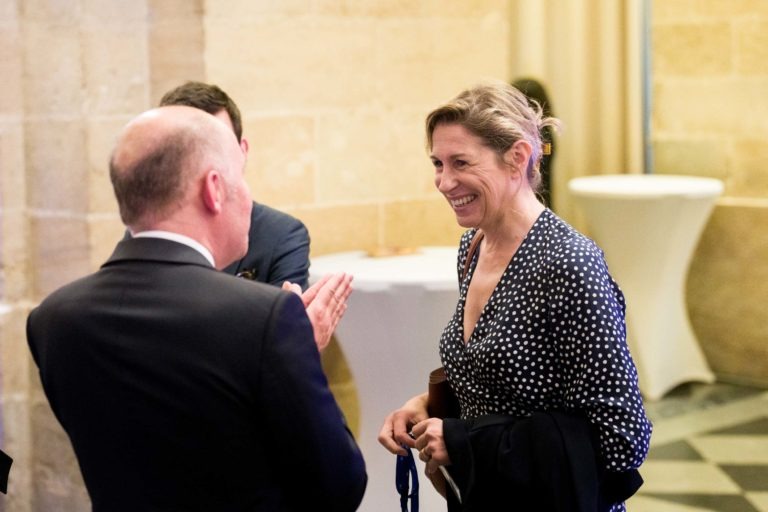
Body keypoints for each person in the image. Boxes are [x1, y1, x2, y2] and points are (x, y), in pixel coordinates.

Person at [27, 106, 367, 511]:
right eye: (240, 179)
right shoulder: (265, 319)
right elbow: (339, 485)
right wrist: (300, 354)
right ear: (214, 189)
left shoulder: (52, 319)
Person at [378, 82, 651, 511]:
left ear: (518, 158)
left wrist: (466, 442)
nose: (444, 182)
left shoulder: (568, 263)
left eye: (461, 162)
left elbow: (622, 438)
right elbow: (500, 384)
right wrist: (428, 406)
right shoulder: (472, 247)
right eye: (437, 163)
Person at [140, 80, 311, 289]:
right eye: (189, 150)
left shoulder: (280, 235)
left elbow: (288, 316)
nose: (205, 164)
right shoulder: (148, 229)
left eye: (217, 147)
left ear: (242, 151)